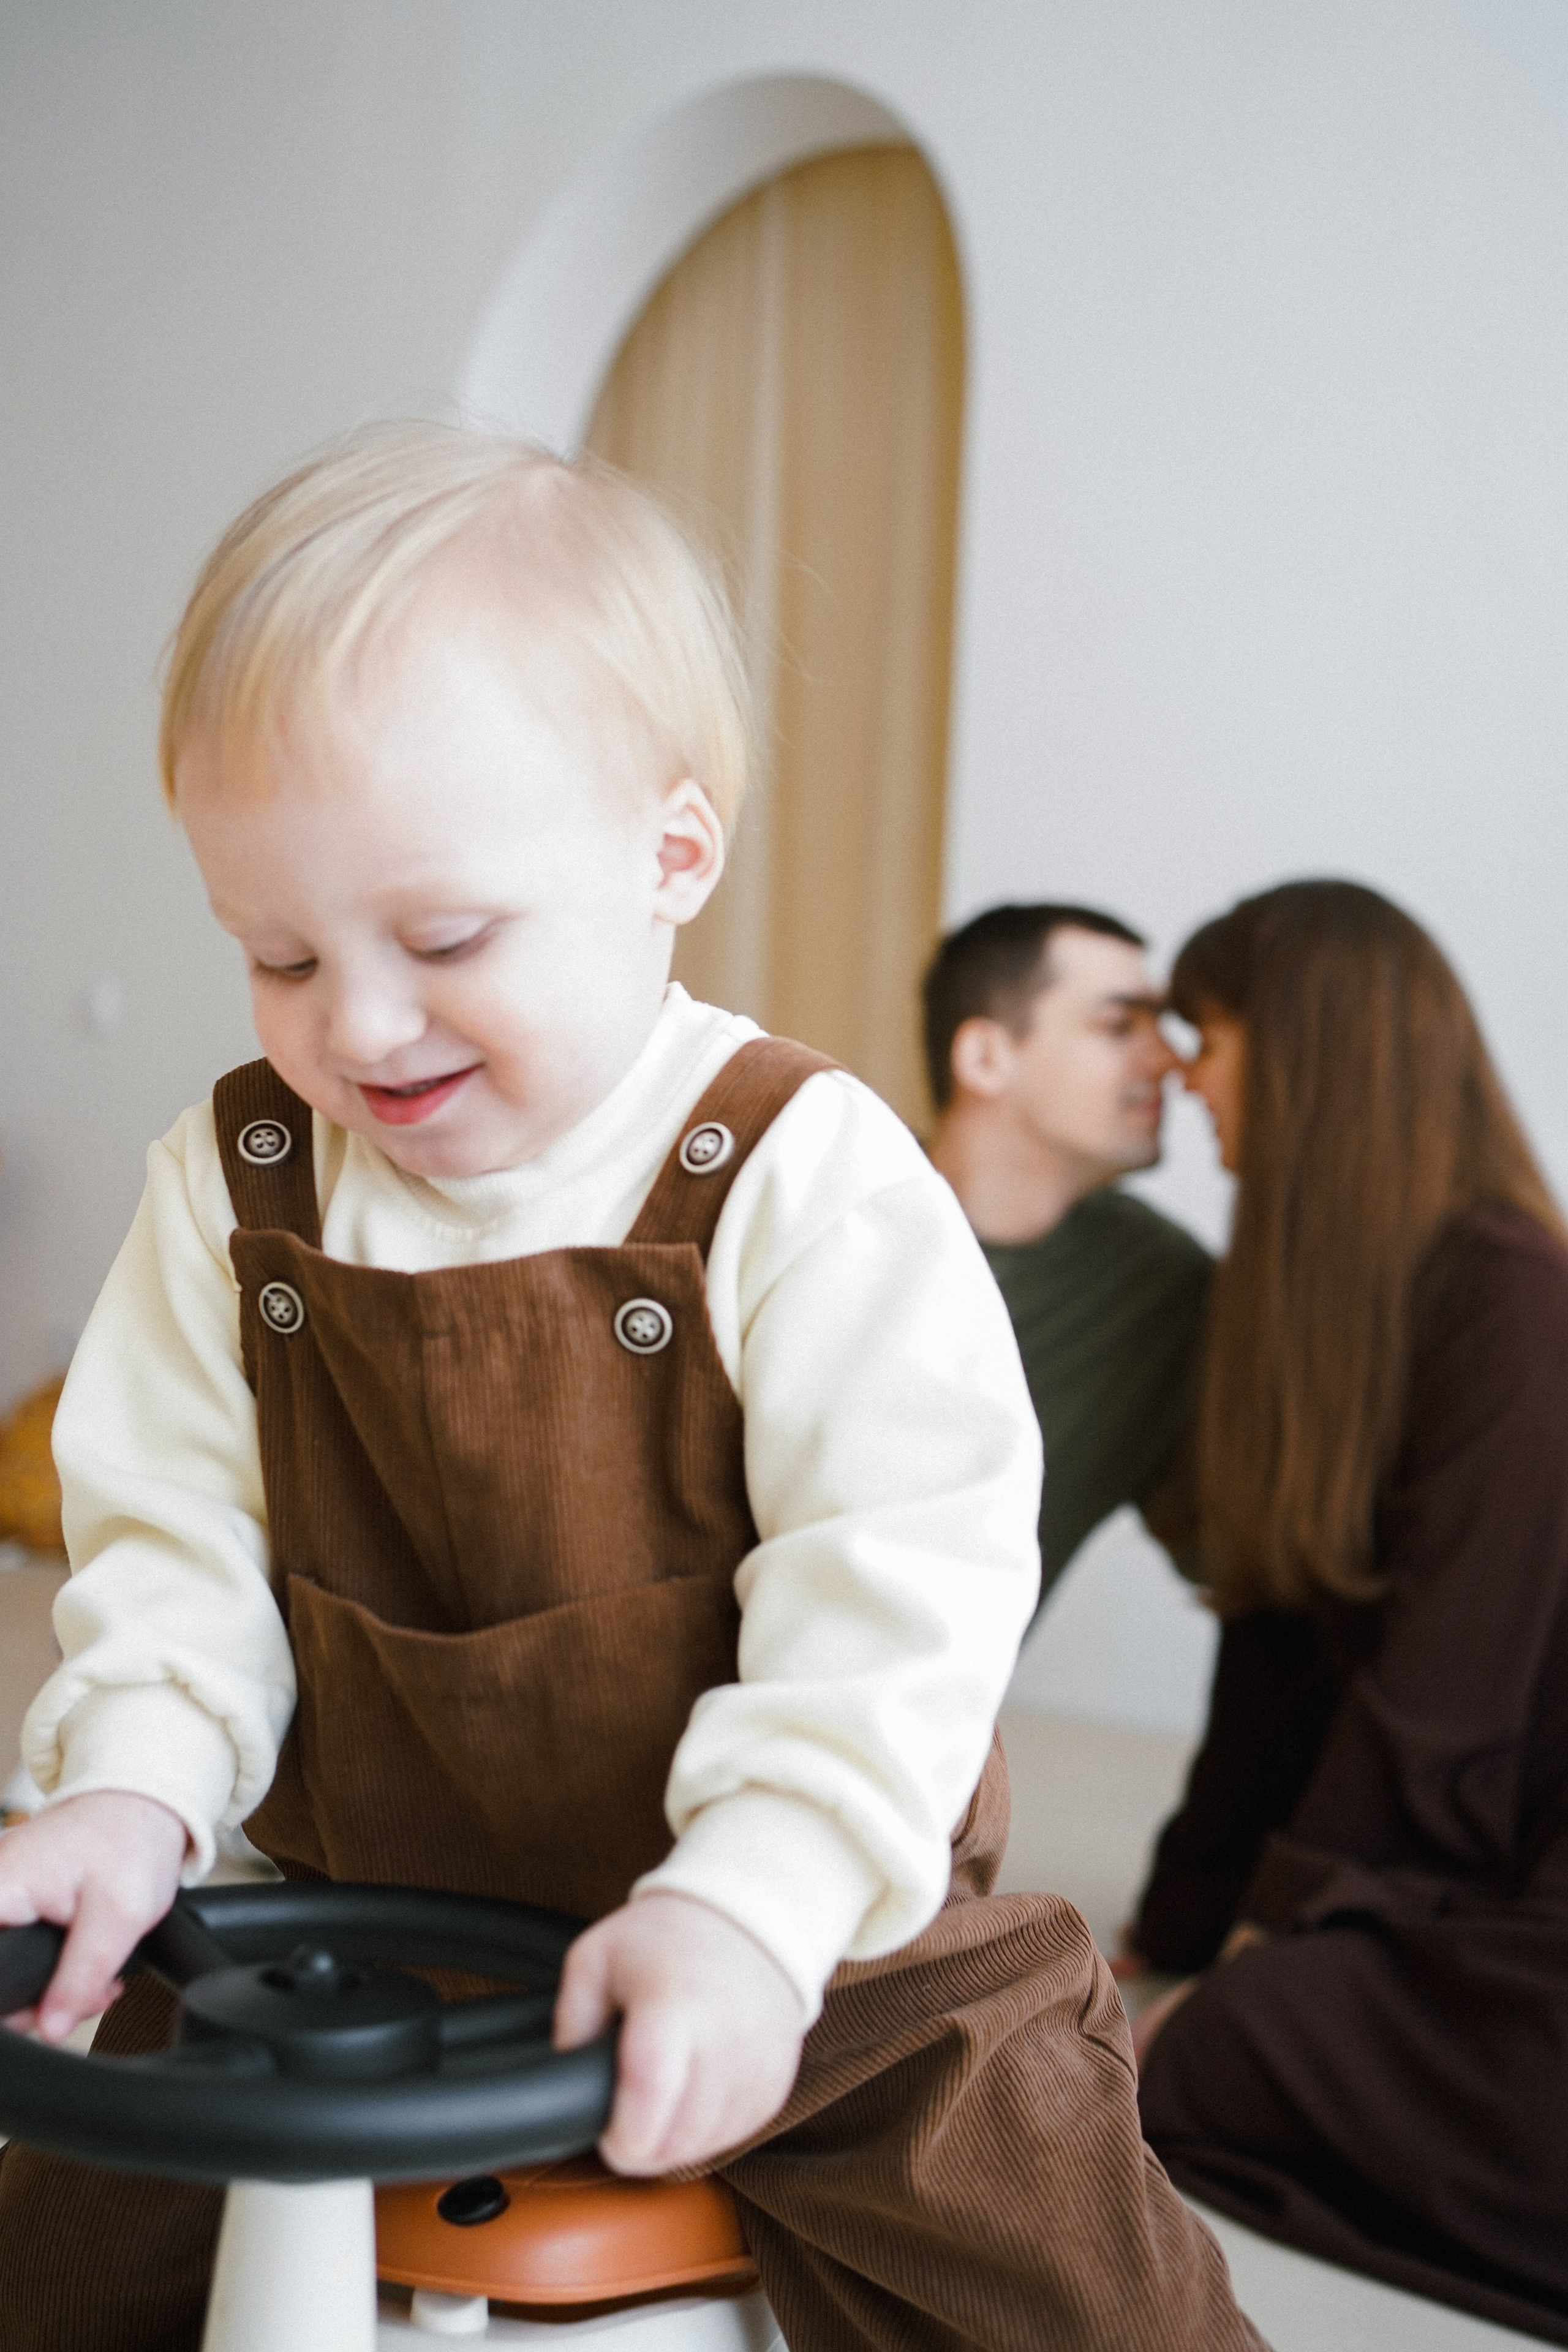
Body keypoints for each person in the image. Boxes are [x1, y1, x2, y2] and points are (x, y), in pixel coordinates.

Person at [0, 425, 1261, 2351]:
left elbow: (900, 1587)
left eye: (441, 937)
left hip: (816, 1921)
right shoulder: (234, 1182)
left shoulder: (799, 1171)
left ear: (667, 853)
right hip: (350, 1909)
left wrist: (751, 1904)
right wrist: (127, 1794)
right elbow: (175, 1550)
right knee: (65, 2209)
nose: (354, 1020)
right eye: (274, 952)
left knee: (1054, 2246)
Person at [1127, 879, 1568, 2346]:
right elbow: (1271, 1653)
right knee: (1188, 2044)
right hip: (1468, 1853)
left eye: (1207, 1030)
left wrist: (1260, 1945)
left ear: (1309, 1047)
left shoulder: (1514, 1301)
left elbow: (1443, 1706)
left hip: (1525, 1856)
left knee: (1236, 2043)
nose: (1181, 1068)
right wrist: (1183, 1913)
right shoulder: (1305, 1311)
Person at [924, 903, 1212, 1599]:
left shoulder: (1162, 1291)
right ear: (986, 1058)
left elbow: (1239, 1557)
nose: (1170, 1059)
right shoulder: (819, 1214)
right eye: (1119, 1026)